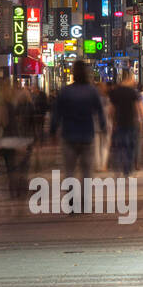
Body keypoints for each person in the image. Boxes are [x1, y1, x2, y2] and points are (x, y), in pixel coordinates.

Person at [49, 60, 108, 201]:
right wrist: (104, 128)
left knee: (69, 171)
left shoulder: (65, 91)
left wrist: (52, 131)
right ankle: (85, 201)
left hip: (68, 135)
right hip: (87, 135)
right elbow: (100, 112)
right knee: (87, 171)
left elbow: (57, 113)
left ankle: (70, 202)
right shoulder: (92, 91)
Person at [107, 70, 143, 177]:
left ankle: (119, 167)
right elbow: (139, 107)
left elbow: (111, 109)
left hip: (119, 122)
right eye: (133, 79)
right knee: (130, 146)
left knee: (120, 145)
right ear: (128, 79)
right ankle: (127, 169)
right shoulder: (133, 92)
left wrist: (111, 121)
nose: (134, 81)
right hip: (131, 122)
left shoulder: (115, 92)